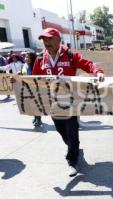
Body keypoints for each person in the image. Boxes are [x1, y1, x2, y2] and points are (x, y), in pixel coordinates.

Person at [32, 28, 105, 177]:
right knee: (62, 131)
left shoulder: (71, 55)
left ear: (58, 40)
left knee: (72, 132)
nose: (46, 42)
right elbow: (33, 80)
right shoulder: (40, 59)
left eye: (49, 39)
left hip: (71, 103)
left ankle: (72, 161)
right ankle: (74, 148)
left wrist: (98, 71)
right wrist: (17, 82)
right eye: (44, 39)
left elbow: (88, 64)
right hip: (53, 104)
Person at [19, 52, 43, 127]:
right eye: (25, 57)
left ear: (32, 58)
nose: (26, 59)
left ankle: (38, 119)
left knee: (36, 104)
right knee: (31, 104)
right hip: (26, 87)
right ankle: (35, 117)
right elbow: (22, 74)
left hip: (35, 88)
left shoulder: (37, 66)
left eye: (28, 57)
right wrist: (19, 73)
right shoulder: (23, 65)